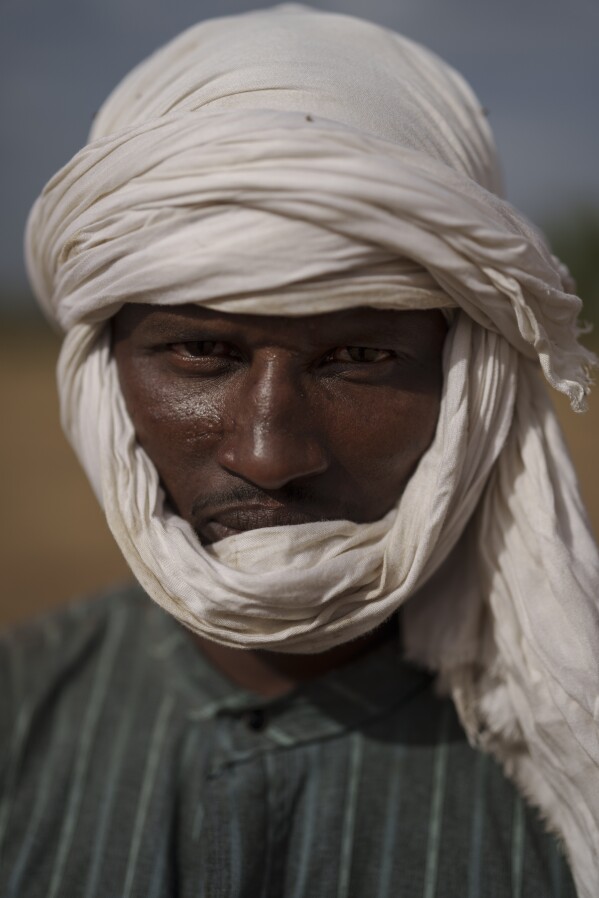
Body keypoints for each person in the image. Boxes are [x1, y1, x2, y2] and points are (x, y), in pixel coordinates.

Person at [1, 5, 598, 896]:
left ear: (467, 382)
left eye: (357, 358)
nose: (269, 452)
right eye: (201, 352)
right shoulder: (21, 710)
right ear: (103, 373)